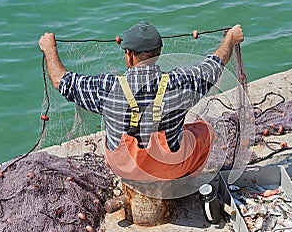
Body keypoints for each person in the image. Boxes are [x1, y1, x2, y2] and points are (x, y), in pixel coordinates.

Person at [39, 21, 244, 181]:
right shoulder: (181, 82)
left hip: (124, 169)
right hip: (169, 169)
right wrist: (230, 39)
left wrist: (50, 49)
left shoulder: (108, 88)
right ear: (158, 53)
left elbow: (62, 81)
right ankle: (181, 181)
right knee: (205, 130)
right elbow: (215, 64)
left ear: (129, 55)